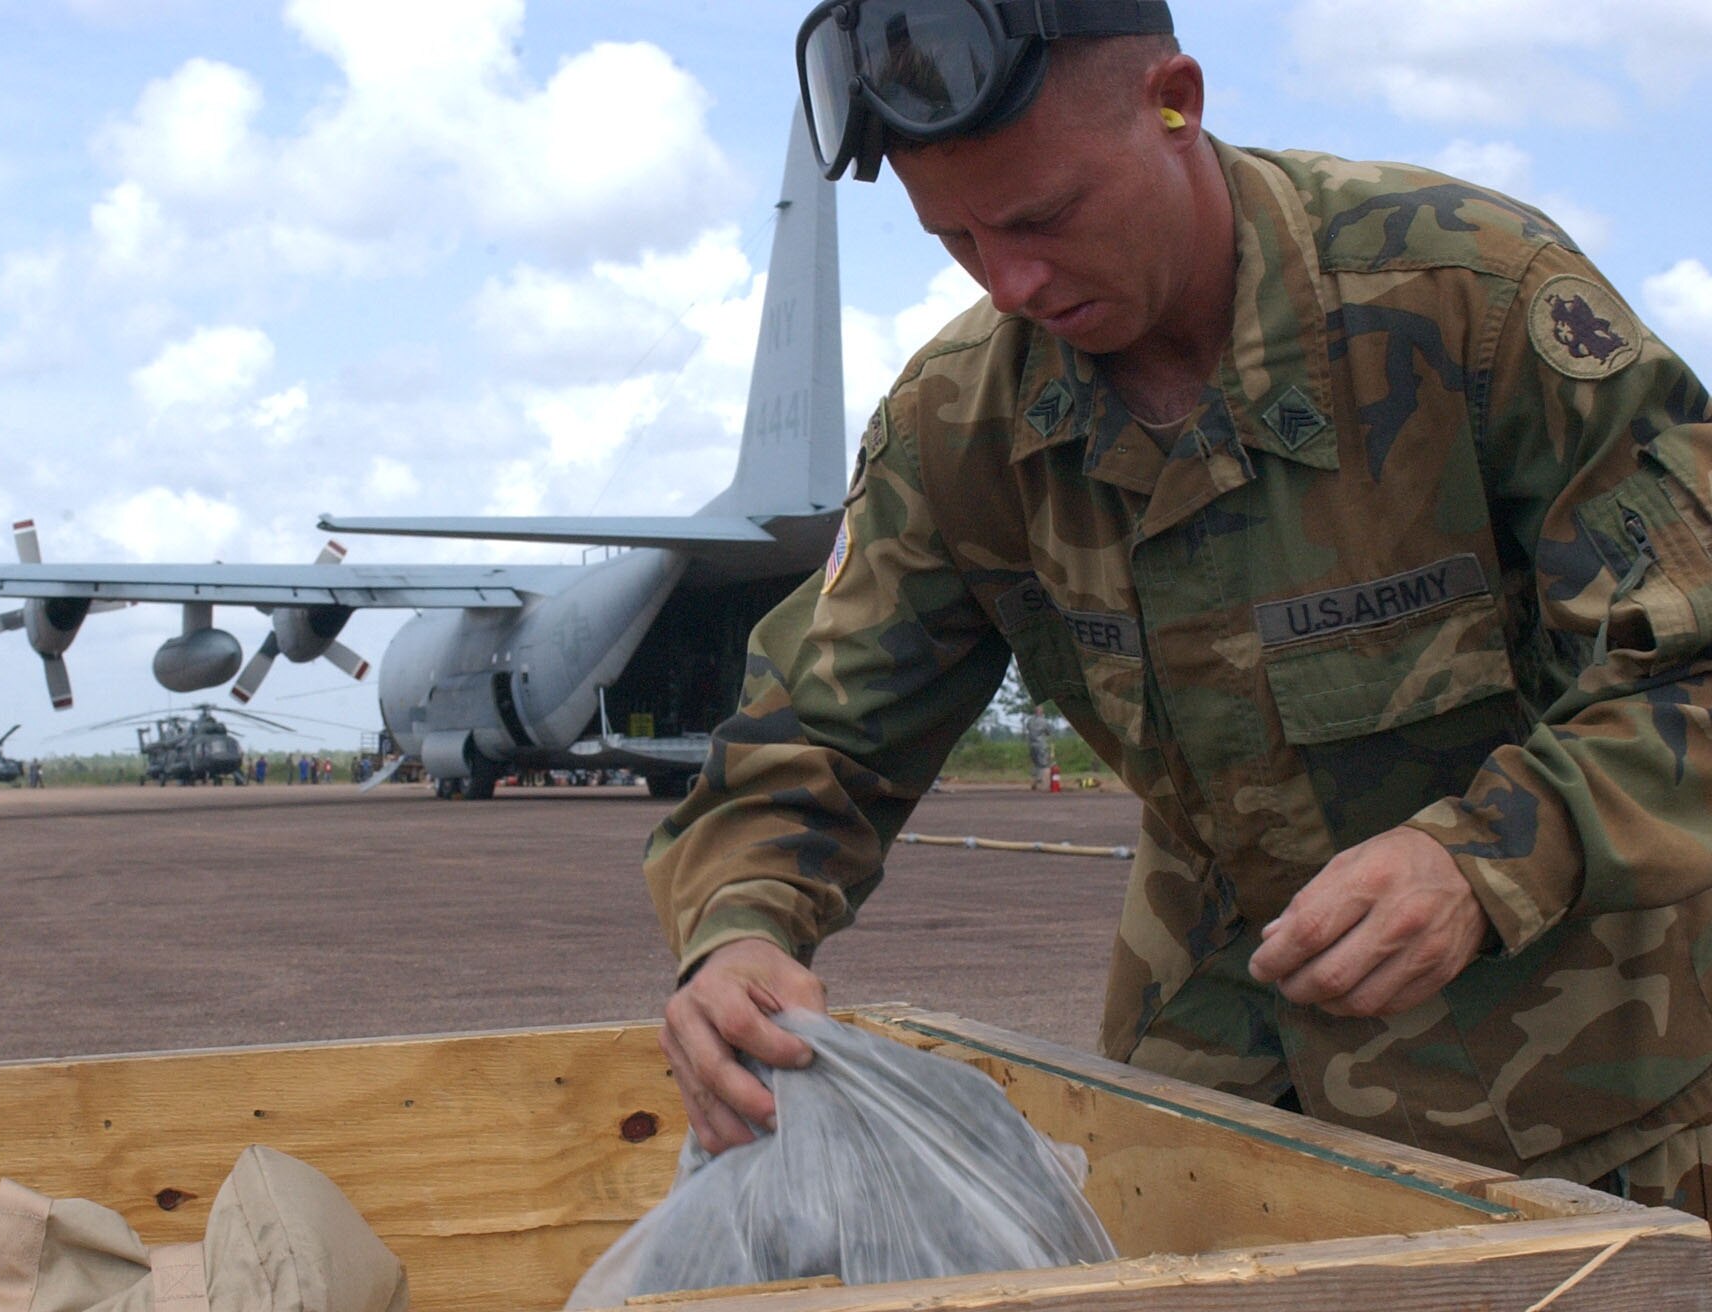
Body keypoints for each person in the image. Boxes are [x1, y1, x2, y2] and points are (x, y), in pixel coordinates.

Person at [647, 0, 1712, 1217]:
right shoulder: (961, 423)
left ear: (1176, 102)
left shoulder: (1465, 300)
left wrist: (1480, 859)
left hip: (1570, 1098)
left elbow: (1692, 662)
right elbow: (813, 739)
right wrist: (736, 932)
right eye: (954, 237)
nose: (1011, 281)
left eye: (1044, 216)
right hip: (1207, 1097)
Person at [1024, 704, 1055, 790]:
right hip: (1041, 745)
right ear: (1041, 712)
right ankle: (1043, 784)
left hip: (1032, 745)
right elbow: (1049, 732)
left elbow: (1028, 728)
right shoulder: (1044, 721)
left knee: (1035, 764)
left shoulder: (1029, 721)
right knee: (1044, 764)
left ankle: (1034, 782)